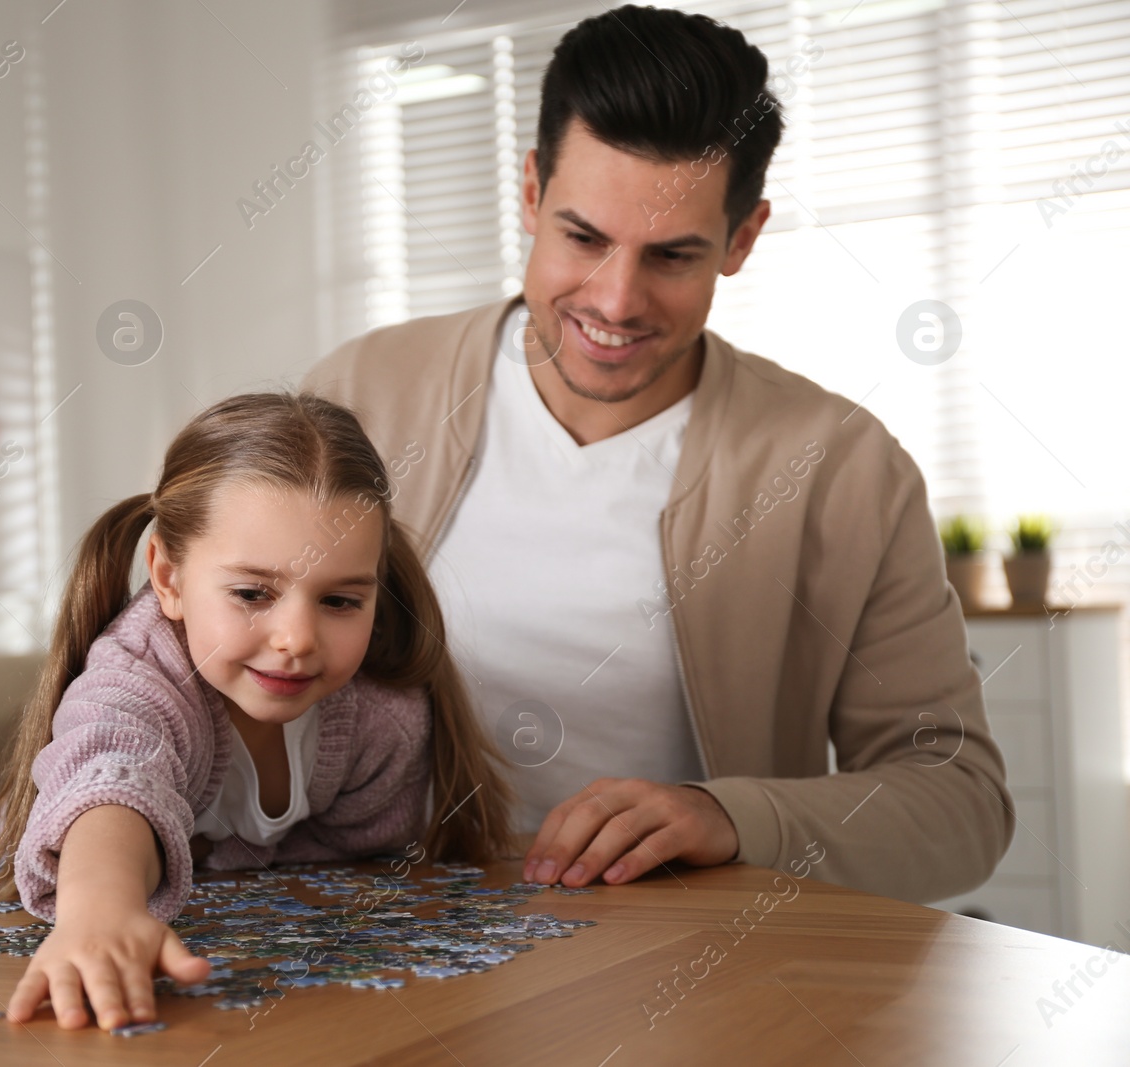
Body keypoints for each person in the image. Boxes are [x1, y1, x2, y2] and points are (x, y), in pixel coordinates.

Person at [303, 4, 1013, 906]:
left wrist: (730, 816)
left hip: (688, 986)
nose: (618, 299)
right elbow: (178, 678)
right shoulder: (361, 394)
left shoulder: (842, 470)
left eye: (673, 256)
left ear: (742, 239)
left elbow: (961, 806)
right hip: (381, 953)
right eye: (583, 237)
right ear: (530, 192)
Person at [0, 392, 513, 1031]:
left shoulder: (382, 716)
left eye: (339, 601)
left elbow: (361, 867)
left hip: (263, 967)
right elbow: (111, 780)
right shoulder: (139, 676)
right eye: (253, 593)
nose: (297, 638)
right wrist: (102, 912)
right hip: (36, 922)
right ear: (168, 580)